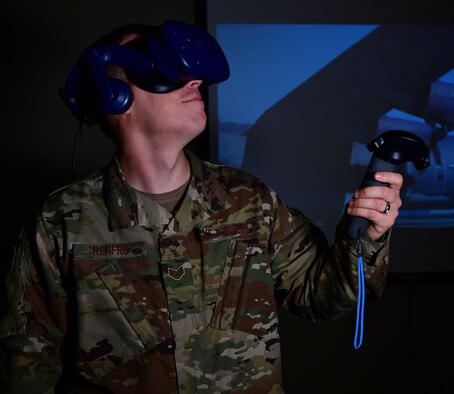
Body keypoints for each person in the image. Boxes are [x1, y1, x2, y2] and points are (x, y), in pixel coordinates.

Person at [0, 20, 402, 393]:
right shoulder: (58, 224)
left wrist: (367, 237)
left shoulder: (251, 200)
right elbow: (27, 366)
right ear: (115, 95)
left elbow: (323, 295)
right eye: (161, 70)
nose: (194, 81)